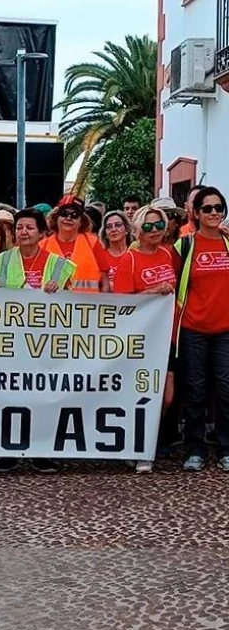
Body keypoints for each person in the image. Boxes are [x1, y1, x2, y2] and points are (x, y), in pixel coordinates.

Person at [0, 208, 75, 474]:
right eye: (19, 227)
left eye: (29, 228)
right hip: (11, 343)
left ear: (42, 233)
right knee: (8, 397)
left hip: (44, 344)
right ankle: (8, 451)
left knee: (41, 397)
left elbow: (71, 302)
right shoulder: (2, 260)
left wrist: (58, 289)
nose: (23, 232)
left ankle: (41, 452)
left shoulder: (59, 264)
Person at [113, 205, 176, 473]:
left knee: (167, 396)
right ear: (137, 229)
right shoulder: (129, 259)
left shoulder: (167, 253)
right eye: (148, 226)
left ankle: (147, 440)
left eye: (159, 225)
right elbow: (122, 303)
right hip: (140, 339)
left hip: (168, 335)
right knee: (139, 393)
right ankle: (137, 447)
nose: (154, 231)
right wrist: (153, 291)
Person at [172, 187, 229, 472]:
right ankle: (195, 448)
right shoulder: (183, 246)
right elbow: (168, 282)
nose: (214, 213)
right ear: (196, 213)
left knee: (227, 389)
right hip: (193, 328)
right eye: (207, 208)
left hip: (226, 330)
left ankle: (226, 447)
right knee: (194, 390)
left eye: (219, 207)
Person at [41, 195, 110, 293]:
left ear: (81, 221)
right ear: (56, 217)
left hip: (87, 305)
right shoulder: (43, 246)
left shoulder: (93, 243)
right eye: (64, 213)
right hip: (54, 306)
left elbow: (105, 283)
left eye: (75, 215)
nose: (68, 218)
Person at [99, 211, 132, 289]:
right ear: (105, 233)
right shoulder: (99, 256)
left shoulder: (135, 253)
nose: (113, 229)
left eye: (118, 225)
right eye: (109, 226)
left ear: (126, 229)